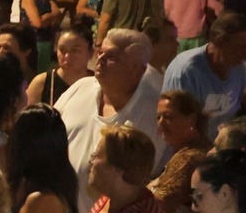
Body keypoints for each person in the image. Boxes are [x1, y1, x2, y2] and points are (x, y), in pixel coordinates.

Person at [55, 27, 164, 181]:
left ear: (137, 69)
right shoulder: (80, 88)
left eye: (112, 57)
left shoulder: (155, 114)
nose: (100, 60)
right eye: (100, 53)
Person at [160, 12, 246, 126]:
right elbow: (177, 125)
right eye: (240, 47)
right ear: (216, 40)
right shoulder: (187, 71)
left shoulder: (239, 69)